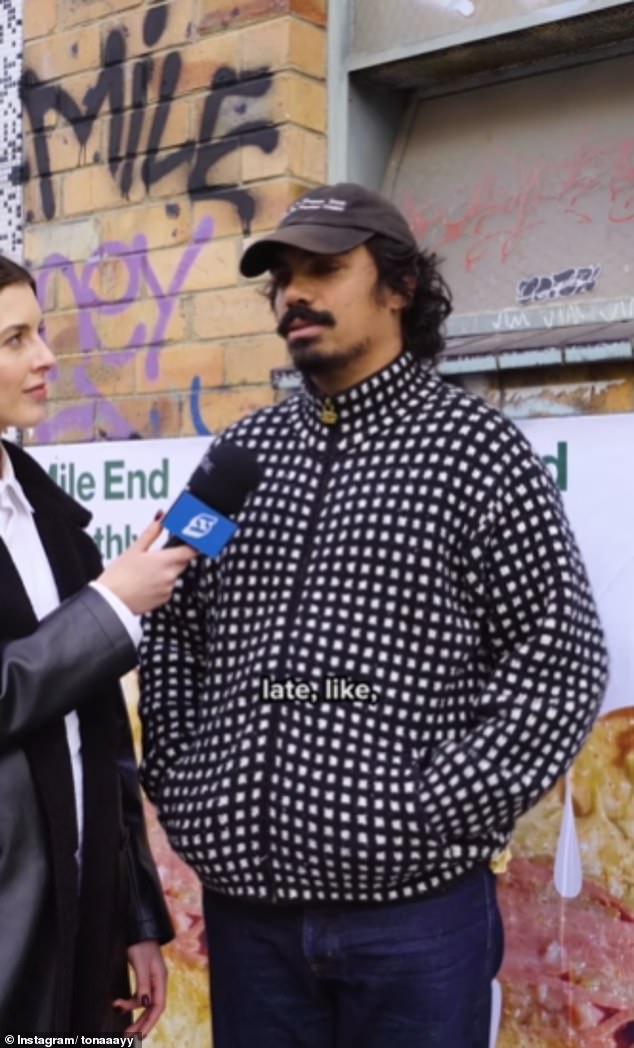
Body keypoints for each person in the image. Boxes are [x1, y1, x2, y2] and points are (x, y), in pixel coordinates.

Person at [139, 183, 608, 1048]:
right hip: (250, 925)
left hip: (414, 925)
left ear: (399, 288)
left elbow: (558, 661)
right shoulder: (239, 457)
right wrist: (183, 780)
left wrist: (430, 809)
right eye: (282, 278)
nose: (295, 296)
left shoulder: (476, 452)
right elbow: (169, 618)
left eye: (325, 269)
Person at [0, 255, 196, 1035]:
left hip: (86, 939)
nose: (47, 358)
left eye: (39, 331)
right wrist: (110, 611)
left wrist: (137, 916)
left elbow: (103, 744)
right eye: (15, 339)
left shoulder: (53, 520)